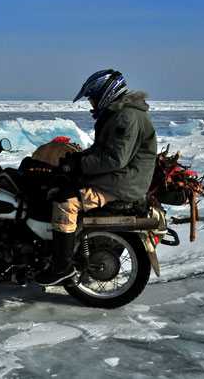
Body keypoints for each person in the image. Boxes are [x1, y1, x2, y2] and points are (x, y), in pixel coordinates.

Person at [35, 69, 157, 286]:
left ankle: (62, 267)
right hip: (121, 177)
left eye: (92, 98)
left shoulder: (126, 117)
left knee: (66, 201)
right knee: (55, 185)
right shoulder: (120, 114)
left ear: (106, 93)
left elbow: (114, 159)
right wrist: (77, 159)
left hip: (123, 181)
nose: (91, 103)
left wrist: (79, 166)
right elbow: (105, 150)